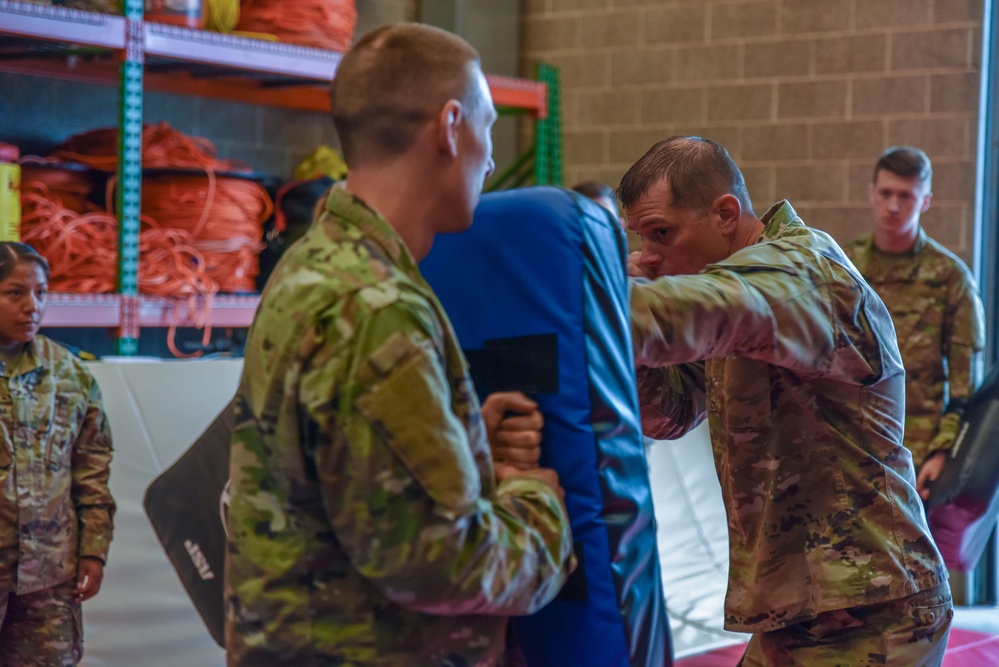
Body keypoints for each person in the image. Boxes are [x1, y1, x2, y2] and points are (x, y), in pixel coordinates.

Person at [224, 23, 574, 667]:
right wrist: (536, 498)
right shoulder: (375, 309)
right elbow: (443, 564)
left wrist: (467, 450)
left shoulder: (314, 265)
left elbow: (344, 486)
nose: (492, 157)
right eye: (488, 126)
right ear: (449, 126)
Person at [620, 136, 951, 666]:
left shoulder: (800, 271)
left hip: (871, 607)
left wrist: (592, 292)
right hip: (801, 608)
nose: (650, 255)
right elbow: (669, 413)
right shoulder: (733, 290)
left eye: (663, 234)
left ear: (725, 213)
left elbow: (693, 312)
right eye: (641, 238)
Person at [844, 146, 986, 501]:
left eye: (905, 196)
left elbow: (964, 386)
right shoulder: (844, 267)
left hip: (920, 456)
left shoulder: (951, 277)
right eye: (886, 193)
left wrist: (944, 453)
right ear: (871, 193)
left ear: (925, 201)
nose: (893, 205)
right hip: (850, 443)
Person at [0, 242, 115, 665]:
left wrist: (93, 550)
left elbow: (91, 470)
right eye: (15, 293)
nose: (32, 306)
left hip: (48, 572)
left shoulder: (70, 373)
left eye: (41, 293)